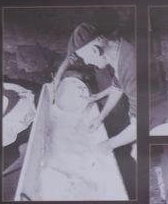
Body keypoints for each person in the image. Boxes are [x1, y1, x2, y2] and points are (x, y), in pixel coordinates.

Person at [71, 25, 138, 158]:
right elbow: (118, 86)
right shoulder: (120, 50)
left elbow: (139, 126)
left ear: (95, 51)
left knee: (137, 153)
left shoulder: (132, 67)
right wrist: (101, 116)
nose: (87, 62)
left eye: (85, 57)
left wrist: (109, 144)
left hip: (156, 118)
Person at [51, 8, 120, 99]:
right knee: (105, 88)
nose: (86, 62)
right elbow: (69, 58)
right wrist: (56, 80)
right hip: (100, 60)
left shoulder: (124, 55)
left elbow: (119, 85)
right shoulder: (82, 35)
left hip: (107, 59)